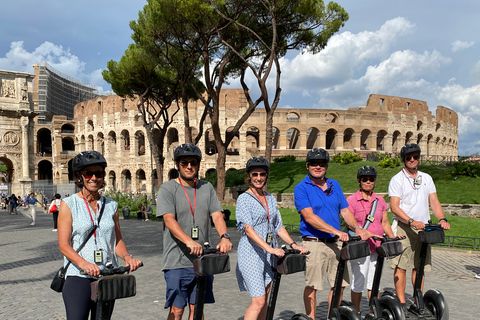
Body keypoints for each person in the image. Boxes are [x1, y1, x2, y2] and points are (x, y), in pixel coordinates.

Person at [57, 151, 143, 320]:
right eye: (89, 173)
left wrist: (127, 257)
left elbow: (116, 239)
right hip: (78, 276)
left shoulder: (112, 205)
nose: (94, 178)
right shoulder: (69, 204)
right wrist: (84, 263)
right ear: (79, 176)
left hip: (105, 275)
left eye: (98, 173)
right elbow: (64, 245)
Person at [294, 148, 375, 319]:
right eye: (314, 163)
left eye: (322, 163)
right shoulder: (301, 188)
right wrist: (336, 231)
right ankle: (312, 318)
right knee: (312, 285)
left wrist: (357, 228)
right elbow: (309, 217)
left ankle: (332, 315)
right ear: (307, 165)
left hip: (336, 243)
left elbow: (345, 211)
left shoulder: (334, 185)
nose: (318, 166)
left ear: (327, 165)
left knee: (339, 284)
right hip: (314, 242)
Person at [156, 143, 232, 320]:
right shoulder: (168, 188)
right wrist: (189, 241)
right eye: (184, 163)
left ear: (198, 165)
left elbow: (217, 215)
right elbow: (169, 219)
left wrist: (224, 237)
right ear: (177, 165)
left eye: (193, 162)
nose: (189, 166)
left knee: (197, 308)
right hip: (177, 260)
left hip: (202, 259)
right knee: (177, 310)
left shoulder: (207, 188)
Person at [236, 157, 308, 320]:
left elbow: (278, 226)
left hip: (270, 255)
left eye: (262, 174)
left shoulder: (269, 198)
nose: (259, 177)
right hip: (251, 255)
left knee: (265, 298)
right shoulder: (244, 199)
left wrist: (293, 244)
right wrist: (269, 248)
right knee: (259, 301)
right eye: (255, 174)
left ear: (266, 175)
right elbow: (248, 229)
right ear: (249, 176)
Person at [388, 143, 450, 312]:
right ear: (404, 160)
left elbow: (434, 201)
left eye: (415, 156)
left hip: (423, 228)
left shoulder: (426, 178)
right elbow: (394, 207)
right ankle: (401, 304)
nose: (412, 160)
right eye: (409, 157)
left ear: (419, 158)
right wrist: (410, 221)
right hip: (404, 227)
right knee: (401, 265)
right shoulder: (397, 179)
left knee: (419, 265)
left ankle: (417, 299)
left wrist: (442, 218)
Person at [346, 166, 398, 313]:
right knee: (358, 282)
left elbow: (385, 223)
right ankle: (355, 312)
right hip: (360, 248)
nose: (368, 182)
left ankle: (373, 311)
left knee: (374, 283)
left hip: (377, 247)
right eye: (365, 179)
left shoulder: (380, 201)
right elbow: (349, 224)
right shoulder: (352, 200)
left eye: (371, 179)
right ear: (359, 181)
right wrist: (364, 232)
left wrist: (393, 238)